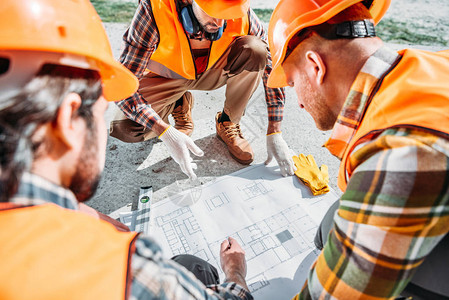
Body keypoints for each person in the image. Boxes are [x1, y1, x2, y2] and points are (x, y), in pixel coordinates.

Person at [0, 0, 252, 299]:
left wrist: (73, 212)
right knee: (193, 267)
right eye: (99, 109)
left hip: (204, 73)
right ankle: (175, 101)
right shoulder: (126, 269)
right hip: (167, 80)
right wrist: (235, 271)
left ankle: (185, 100)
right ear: (68, 119)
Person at [267, 0, 449, 299]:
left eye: (292, 82)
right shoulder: (432, 66)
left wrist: (236, 280)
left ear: (315, 66)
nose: (297, 101)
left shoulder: (402, 152)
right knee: (334, 224)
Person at [109, 0, 295, 180]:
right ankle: (177, 102)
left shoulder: (239, 11)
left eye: (227, 16)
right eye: (214, 14)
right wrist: (164, 130)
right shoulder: (154, 10)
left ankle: (227, 122)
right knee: (126, 128)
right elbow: (123, 84)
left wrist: (274, 131)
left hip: (211, 72)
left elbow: (272, 68)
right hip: (166, 77)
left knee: (257, 50)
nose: (220, 24)